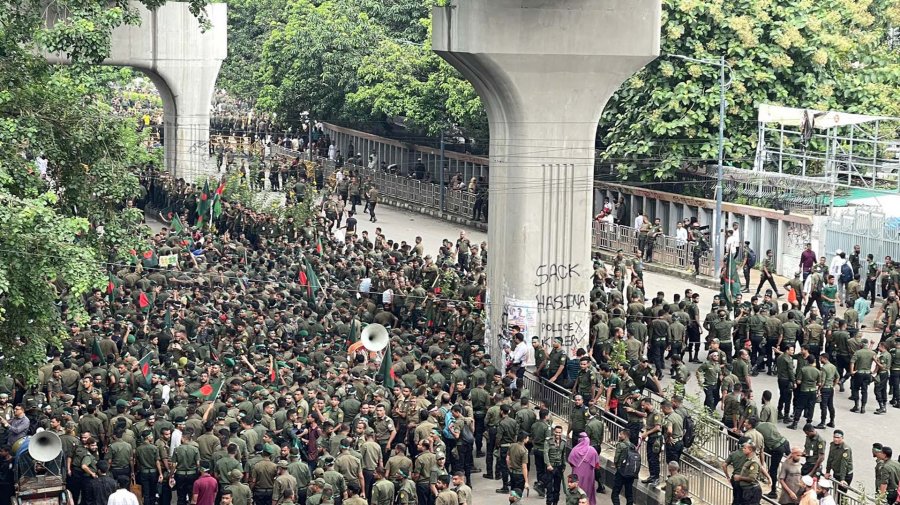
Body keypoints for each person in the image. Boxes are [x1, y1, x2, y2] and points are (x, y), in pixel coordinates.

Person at [567, 433, 597, 505]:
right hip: (589, 476)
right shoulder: (592, 450)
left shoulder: (574, 450)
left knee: (577, 490)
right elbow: (597, 464)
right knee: (588, 490)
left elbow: (570, 461)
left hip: (577, 475)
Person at [610, 430, 635, 505]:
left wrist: (616, 465)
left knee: (615, 493)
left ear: (625, 436)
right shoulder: (633, 446)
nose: (619, 436)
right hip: (630, 472)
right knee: (629, 493)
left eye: (621, 434)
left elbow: (616, 458)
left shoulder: (620, 445)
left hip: (621, 472)